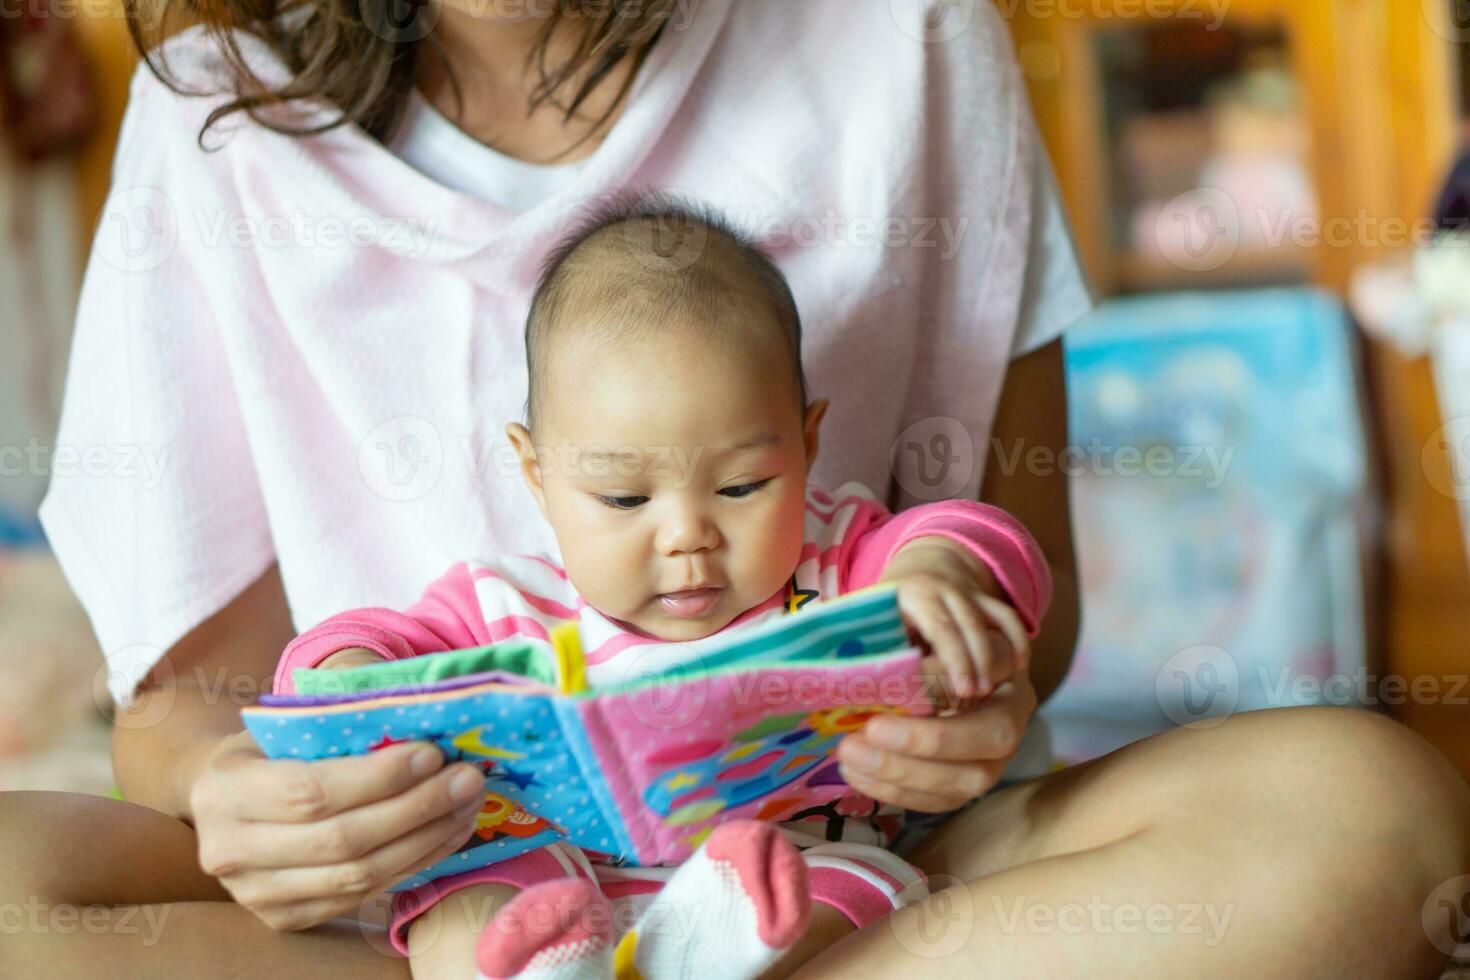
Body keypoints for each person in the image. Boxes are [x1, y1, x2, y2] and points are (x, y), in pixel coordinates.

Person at [3, 2, 1467, 977]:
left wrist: (969, 674)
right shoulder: (216, 117)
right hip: (447, 913)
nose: (687, 538)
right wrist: (247, 802)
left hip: (848, 876)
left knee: (1365, 810)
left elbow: (1018, 576)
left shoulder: (899, 28)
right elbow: (189, 715)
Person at [274, 196, 1052, 979]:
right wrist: (344, 678)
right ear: (538, 476)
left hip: (774, 882)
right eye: (624, 500)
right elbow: (358, 648)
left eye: (744, 486)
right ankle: (541, 967)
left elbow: (974, 536)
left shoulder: (837, 560)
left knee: (870, 889)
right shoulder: (506, 607)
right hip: (548, 887)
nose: (687, 535)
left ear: (807, 444)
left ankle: (702, 952)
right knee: (454, 896)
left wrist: (938, 572)